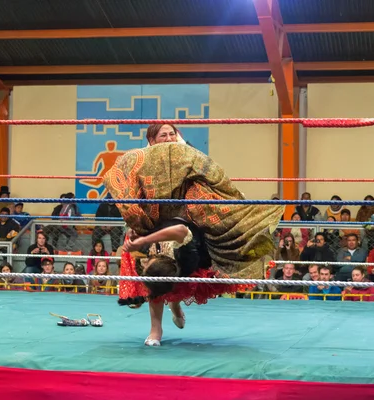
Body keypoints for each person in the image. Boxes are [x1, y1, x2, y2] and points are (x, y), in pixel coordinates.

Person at [103, 143, 284, 346]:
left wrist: (141, 239)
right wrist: (138, 229)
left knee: (166, 284)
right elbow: (178, 232)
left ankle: (174, 306)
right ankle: (160, 325)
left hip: (182, 235)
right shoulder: (182, 255)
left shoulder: (182, 161)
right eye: (163, 135)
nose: (168, 138)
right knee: (162, 284)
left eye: (171, 134)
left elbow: (167, 239)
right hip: (184, 238)